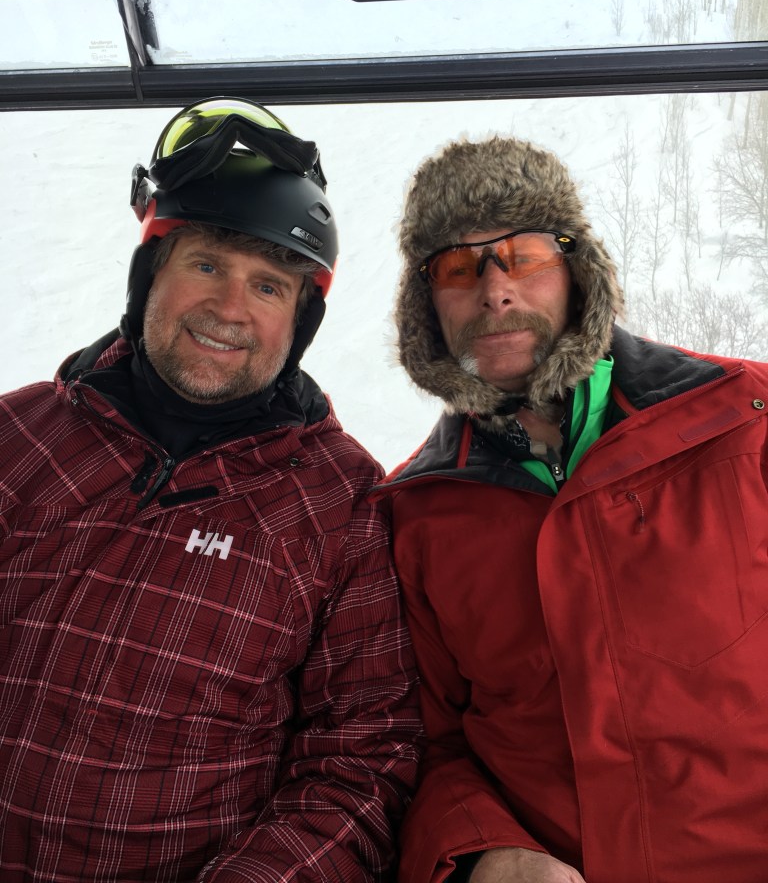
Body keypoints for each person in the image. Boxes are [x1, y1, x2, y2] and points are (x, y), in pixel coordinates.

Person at [0, 98, 421, 883]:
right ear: (149, 274)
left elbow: (363, 760)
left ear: (300, 321)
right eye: (205, 265)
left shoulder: (340, 504)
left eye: (268, 286)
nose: (230, 309)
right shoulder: (19, 437)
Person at [372, 134, 768, 883]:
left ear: (577, 273)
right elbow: (424, 745)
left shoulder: (745, 423)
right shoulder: (416, 515)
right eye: (458, 267)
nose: (495, 291)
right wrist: (484, 850)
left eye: (524, 256)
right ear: (428, 309)